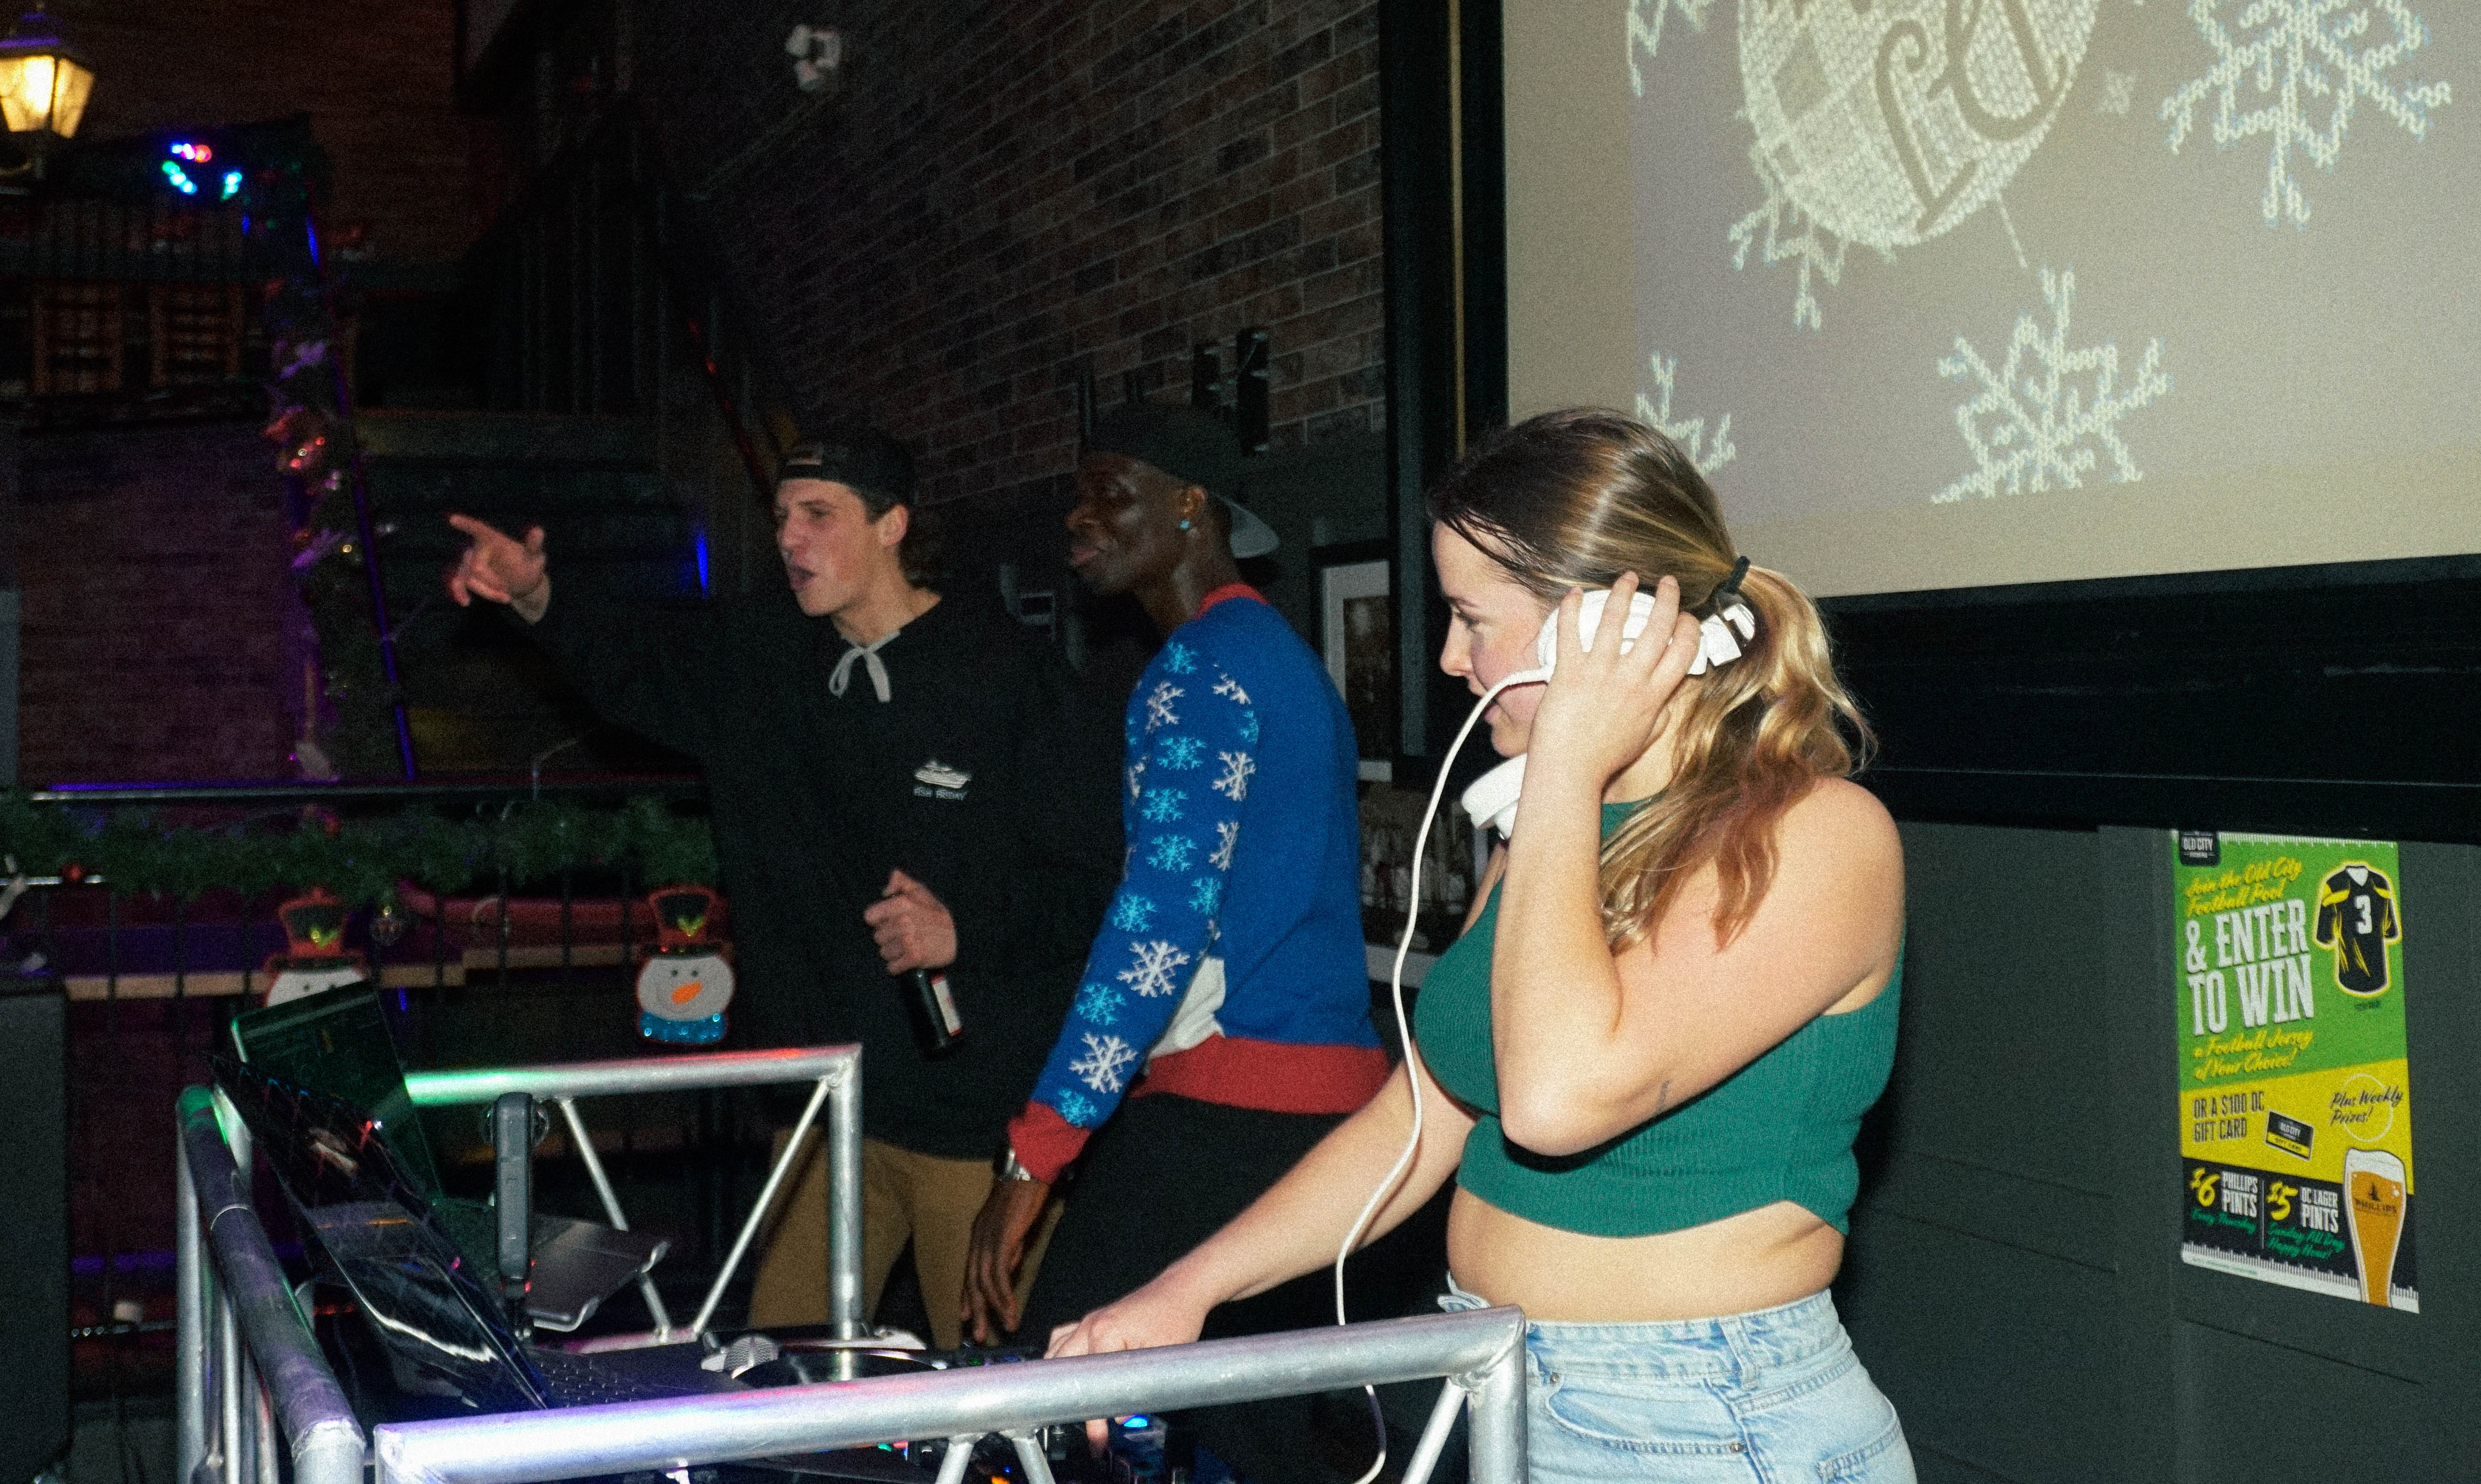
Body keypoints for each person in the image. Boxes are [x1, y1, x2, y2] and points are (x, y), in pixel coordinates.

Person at [1049, 409, 1915, 1482]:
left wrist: (1566, 766)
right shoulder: (1551, 835)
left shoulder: (1818, 836)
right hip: (1500, 1386)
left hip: (1705, 1414)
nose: (1452, 660)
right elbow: (1423, 1114)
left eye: (1472, 619)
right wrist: (1187, 1290)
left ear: (1602, 631)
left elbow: (1556, 1101)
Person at [445, 424, 1120, 1350]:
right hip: (821, 1108)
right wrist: (537, 596)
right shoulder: (766, 662)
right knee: (779, 1371)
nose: (791, 539)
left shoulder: (1005, 676)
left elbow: (1097, 887)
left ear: (891, 525)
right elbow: (640, 665)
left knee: (992, 1390)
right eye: (781, 518)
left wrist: (967, 930)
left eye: (818, 515)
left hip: (972, 1118)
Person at [961, 402, 1389, 1462]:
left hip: (1230, 1105)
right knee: (1270, 1441)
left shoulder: (1200, 671)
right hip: (1329, 1113)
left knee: (1038, 1419)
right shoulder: (1285, 659)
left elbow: (1156, 931)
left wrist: (1034, 1159)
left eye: (1109, 495)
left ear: (1193, 507)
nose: (1078, 518)